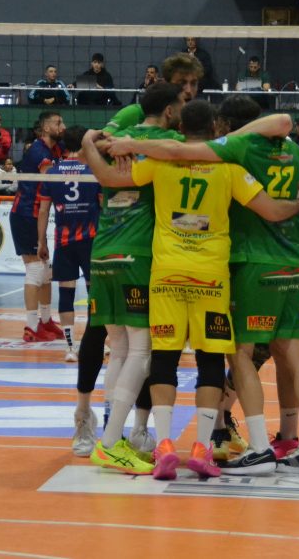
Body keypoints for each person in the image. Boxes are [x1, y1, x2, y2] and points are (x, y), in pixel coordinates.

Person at [84, 99, 299, 481]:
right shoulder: (229, 167)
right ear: (215, 129)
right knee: (210, 360)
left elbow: (109, 178)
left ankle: (165, 445)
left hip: (167, 275)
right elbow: (271, 210)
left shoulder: (159, 162)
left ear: (180, 127)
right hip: (210, 278)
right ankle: (202, 447)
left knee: (164, 358)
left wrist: (89, 144)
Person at [71, 77, 189, 465]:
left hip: (103, 252)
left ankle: (115, 434)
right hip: (137, 254)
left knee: (119, 348)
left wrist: (91, 141)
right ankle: (110, 441)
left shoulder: (117, 141)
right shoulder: (166, 145)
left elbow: (92, 155)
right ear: (169, 110)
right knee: (142, 350)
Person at [37, 126, 101, 362]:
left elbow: (43, 211)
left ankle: (71, 348)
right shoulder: (94, 170)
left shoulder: (52, 173)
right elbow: (104, 205)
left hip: (64, 243)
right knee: (95, 293)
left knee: (66, 293)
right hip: (91, 240)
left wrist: (41, 242)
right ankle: (95, 344)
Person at [11, 110, 66, 342]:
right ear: (45, 128)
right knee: (35, 269)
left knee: (46, 271)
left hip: (38, 215)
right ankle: (31, 327)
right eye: (58, 123)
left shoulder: (56, 148)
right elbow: (53, 180)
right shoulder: (38, 151)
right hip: (26, 214)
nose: (63, 126)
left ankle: (46, 320)